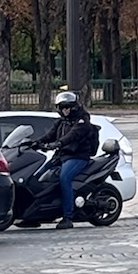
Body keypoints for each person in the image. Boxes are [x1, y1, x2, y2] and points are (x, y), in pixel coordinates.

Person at [34, 91, 97, 231]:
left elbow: (73, 135)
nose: (65, 111)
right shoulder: (61, 122)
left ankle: (68, 216)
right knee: (38, 175)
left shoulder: (82, 121)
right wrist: (36, 142)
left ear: (74, 107)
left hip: (78, 156)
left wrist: (58, 143)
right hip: (61, 156)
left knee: (64, 178)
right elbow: (49, 135)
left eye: (67, 107)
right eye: (62, 108)